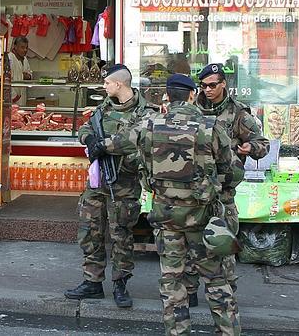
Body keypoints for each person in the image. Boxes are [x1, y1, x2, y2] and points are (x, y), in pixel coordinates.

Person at [108, 74, 240, 335]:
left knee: (171, 281)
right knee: (215, 279)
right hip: (202, 217)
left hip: (165, 216)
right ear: (192, 95)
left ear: (167, 96)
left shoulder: (149, 124)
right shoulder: (209, 126)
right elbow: (233, 171)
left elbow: (124, 148)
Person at [64, 64, 156, 308]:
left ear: (119, 84)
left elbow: (136, 142)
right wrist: (90, 138)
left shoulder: (145, 113)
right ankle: (92, 282)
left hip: (124, 184)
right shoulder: (103, 107)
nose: (104, 87)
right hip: (97, 184)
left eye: (107, 83)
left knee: (121, 236)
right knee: (90, 232)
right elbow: (85, 127)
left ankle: (120, 284)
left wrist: (105, 145)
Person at [185, 63, 269, 305]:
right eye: (203, 85)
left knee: (224, 242)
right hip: (195, 188)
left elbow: (262, 144)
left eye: (212, 85)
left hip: (223, 189)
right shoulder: (192, 109)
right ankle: (189, 291)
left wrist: (250, 147)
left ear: (223, 84)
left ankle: (226, 293)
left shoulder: (238, 113)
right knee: (191, 243)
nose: (207, 90)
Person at [8, 36, 33, 105]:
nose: (25, 50)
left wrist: (28, 76)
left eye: (26, 47)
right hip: (12, 98)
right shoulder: (9, 58)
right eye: (22, 47)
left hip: (22, 97)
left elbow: (30, 73)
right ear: (15, 47)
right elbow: (6, 80)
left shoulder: (25, 59)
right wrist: (14, 96)